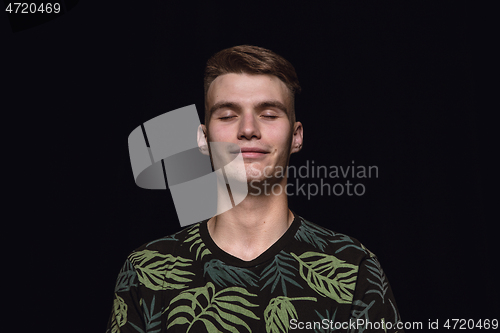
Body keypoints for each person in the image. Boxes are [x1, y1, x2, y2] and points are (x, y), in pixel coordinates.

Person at [106, 45, 405, 333]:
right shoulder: (146, 270)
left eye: (269, 114)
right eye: (227, 115)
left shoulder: (353, 267)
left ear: (297, 136)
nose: (248, 129)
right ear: (203, 139)